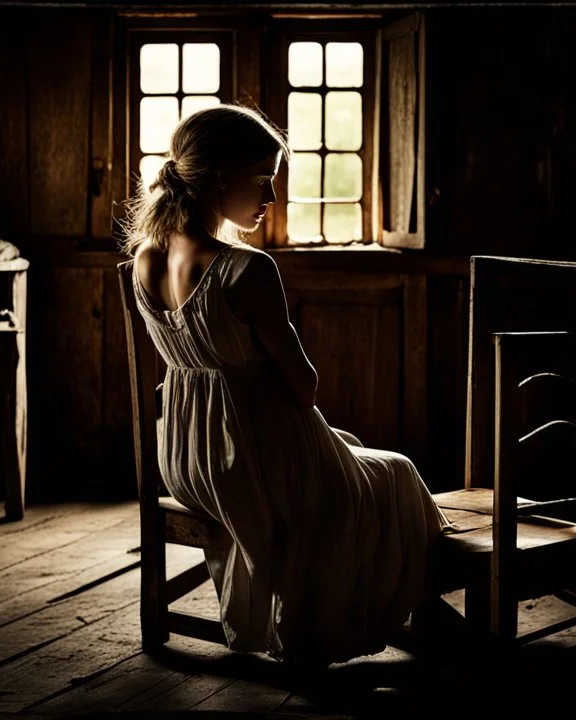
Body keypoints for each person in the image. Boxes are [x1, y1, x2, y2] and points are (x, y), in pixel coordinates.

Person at [122, 104, 455, 668]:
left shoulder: (145, 258)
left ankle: (389, 605)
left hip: (185, 455)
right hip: (246, 461)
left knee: (347, 449)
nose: (270, 199)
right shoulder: (245, 269)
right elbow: (305, 389)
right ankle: (380, 612)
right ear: (222, 178)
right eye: (262, 182)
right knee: (393, 472)